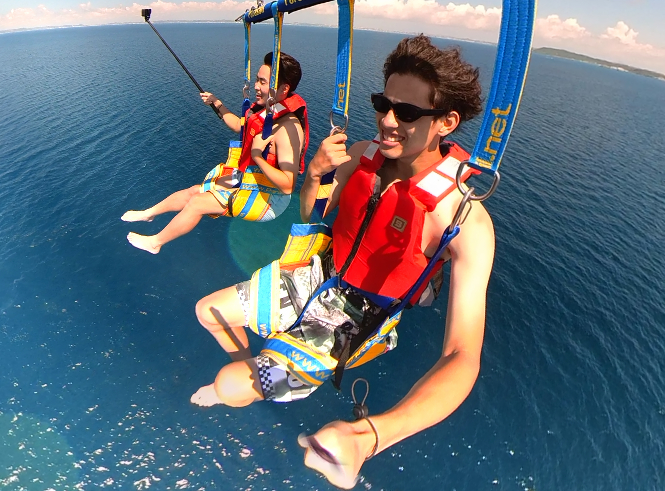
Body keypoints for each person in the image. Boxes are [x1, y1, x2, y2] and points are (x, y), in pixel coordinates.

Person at [191, 35, 494, 489]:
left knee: (229, 385)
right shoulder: (360, 157)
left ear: (447, 122)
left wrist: (369, 435)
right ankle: (269, 360)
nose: (388, 122)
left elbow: (462, 355)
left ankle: (256, 375)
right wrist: (314, 173)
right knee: (207, 312)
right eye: (383, 104)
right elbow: (313, 214)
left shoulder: (463, 219)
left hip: (354, 316)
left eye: (407, 113)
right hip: (318, 272)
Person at [124, 51, 308, 255]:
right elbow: (242, 126)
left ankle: (155, 243)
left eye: (262, 82)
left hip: (270, 198)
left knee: (197, 203)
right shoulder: (267, 111)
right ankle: (149, 213)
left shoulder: (288, 129)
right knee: (195, 191)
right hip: (250, 178)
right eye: (257, 80)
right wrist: (217, 104)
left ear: (284, 88)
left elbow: (288, 185)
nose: (256, 86)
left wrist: (256, 155)